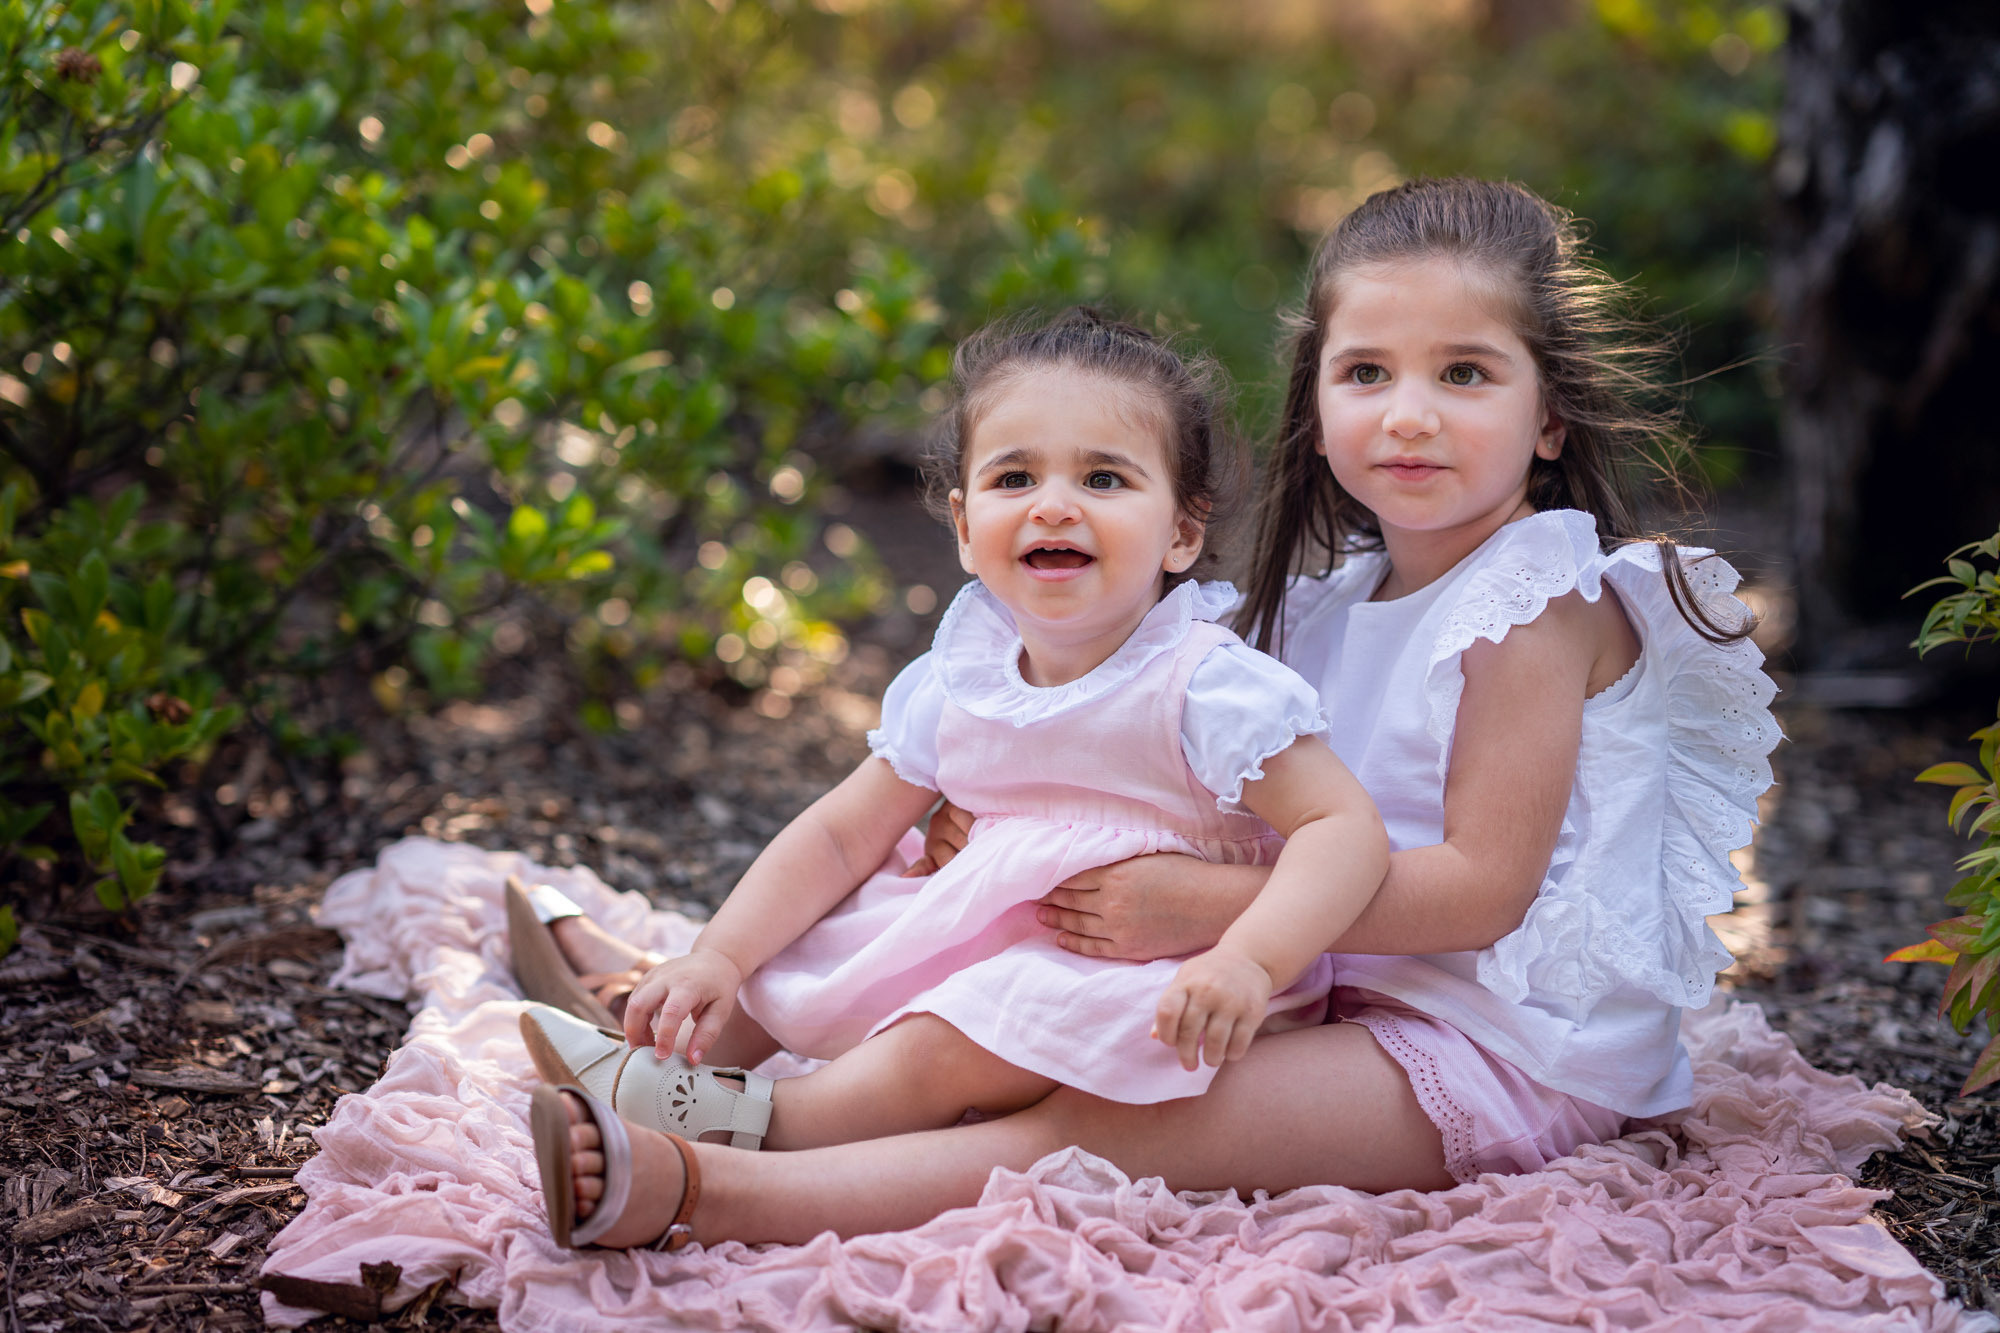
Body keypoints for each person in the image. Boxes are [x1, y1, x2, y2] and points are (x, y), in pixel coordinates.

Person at [520, 176, 1780, 1253]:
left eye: (1463, 373)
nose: (1407, 411)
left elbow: (1476, 892)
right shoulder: (1333, 600)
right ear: (1317, 398)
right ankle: (684, 1027)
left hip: (1492, 1038)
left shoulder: (1534, 601)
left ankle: (718, 1185)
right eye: (1366, 371)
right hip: (1318, 970)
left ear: (1546, 413)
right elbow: (1179, 762)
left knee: (1094, 1122)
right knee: (951, 911)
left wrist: (1206, 910)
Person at [523, 308, 1393, 1245]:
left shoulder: (1203, 684)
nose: (1053, 504)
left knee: (949, 1035)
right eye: (1015, 477)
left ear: (1182, 531)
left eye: (1104, 477)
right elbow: (838, 831)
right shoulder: (963, 674)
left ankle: (760, 1131)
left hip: (1160, 974)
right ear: (967, 524)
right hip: (1007, 933)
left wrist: (1249, 958)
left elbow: (1343, 828)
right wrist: (721, 957)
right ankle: (662, 1060)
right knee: (811, 926)